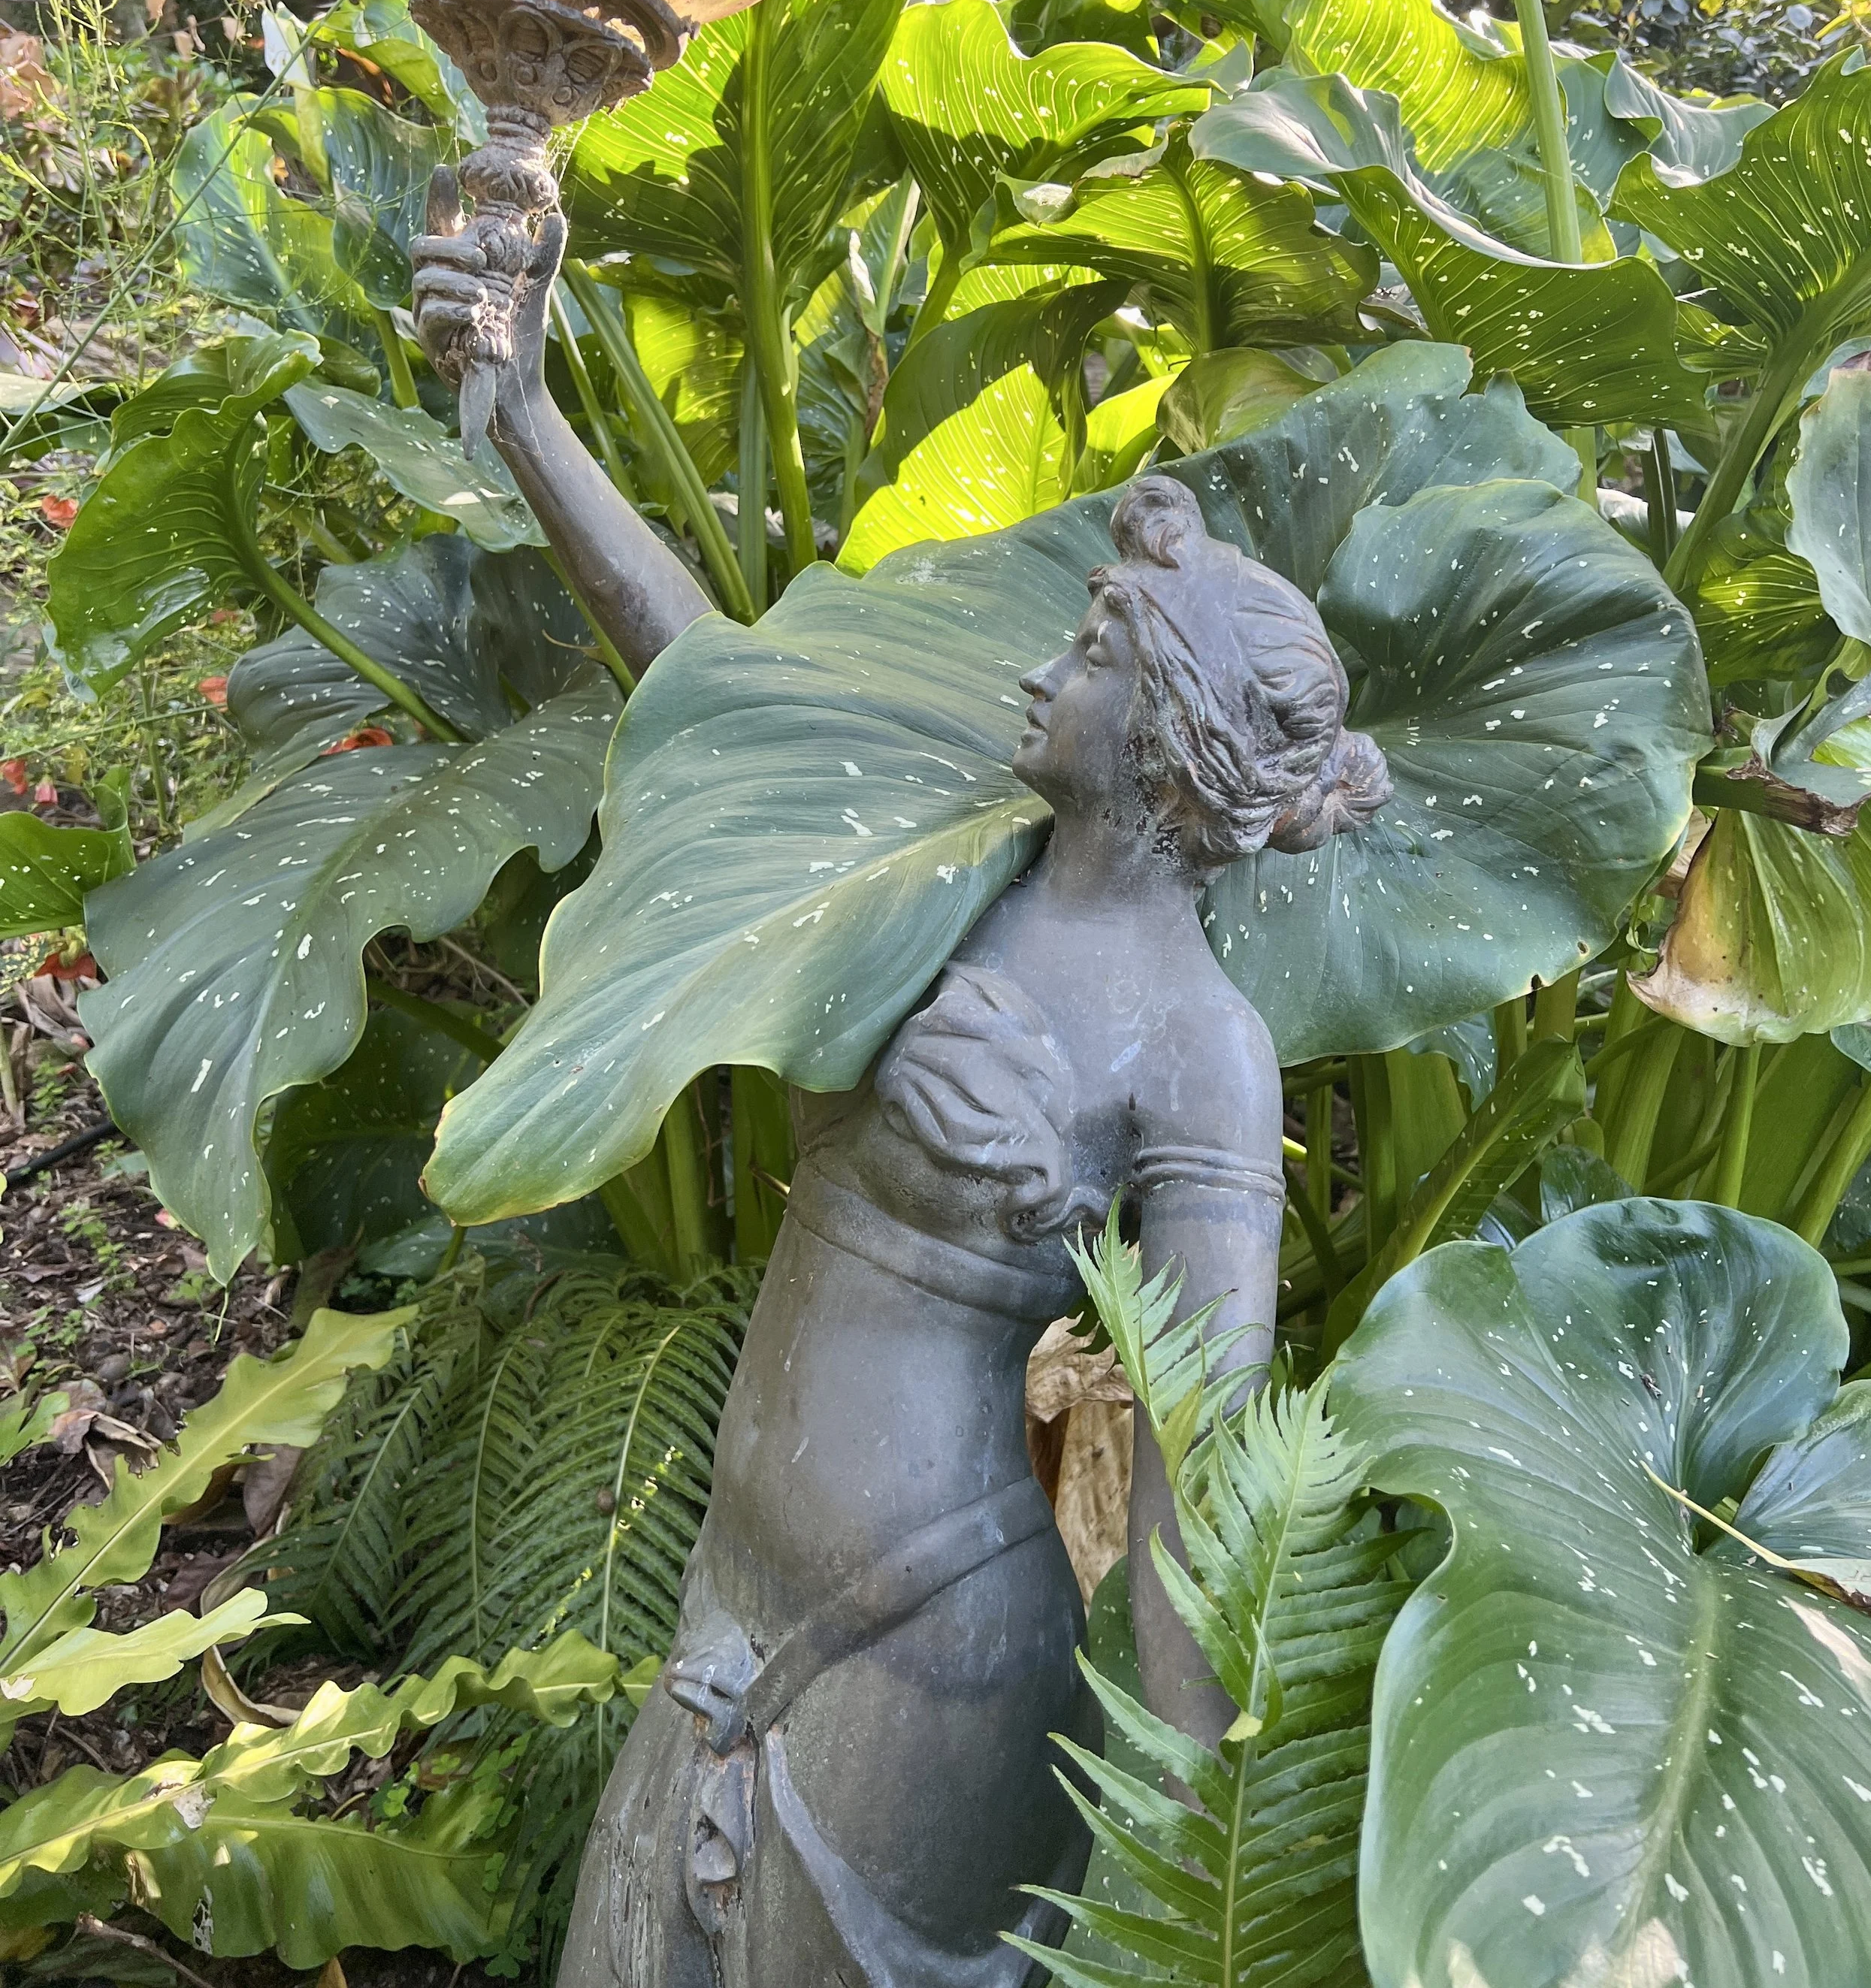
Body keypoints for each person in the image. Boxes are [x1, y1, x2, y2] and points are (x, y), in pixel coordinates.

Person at [413, 219, 1389, 1988]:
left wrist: (1206, 1871)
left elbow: (1197, 1463)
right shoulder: (940, 862)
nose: (1040, 671)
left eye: (1091, 654)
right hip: (734, 1581)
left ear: (1171, 738)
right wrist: (524, 411)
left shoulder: (1200, 1046)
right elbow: (711, 691)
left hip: (925, 1647)